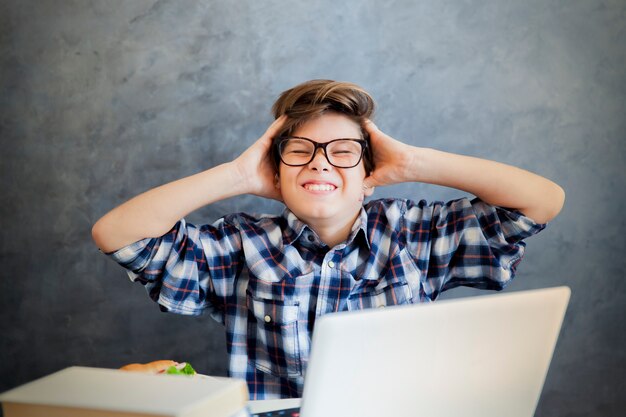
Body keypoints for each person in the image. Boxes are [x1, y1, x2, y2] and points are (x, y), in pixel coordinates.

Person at [92, 79, 565, 399]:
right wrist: (236, 174)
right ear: (274, 172)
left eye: (343, 153)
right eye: (300, 152)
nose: (321, 163)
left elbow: (540, 201)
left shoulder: (414, 236)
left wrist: (415, 164)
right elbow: (117, 234)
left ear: (369, 174)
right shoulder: (239, 246)